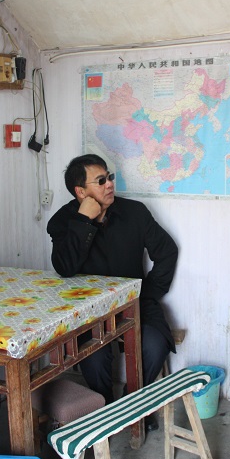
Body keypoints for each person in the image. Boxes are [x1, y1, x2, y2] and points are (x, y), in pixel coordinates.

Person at [47, 154, 178, 430]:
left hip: (135, 304)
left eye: (109, 177)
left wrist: (147, 293)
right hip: (90, 311)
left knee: (155, 345)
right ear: (81, 192)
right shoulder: (64, 220)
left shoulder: (135, 212)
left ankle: (132, 404)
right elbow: (65, 268)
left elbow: (167, 251)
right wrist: (84, 221)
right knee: (93, 356)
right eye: (100, 181)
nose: (109, 184)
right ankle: (104, 410)